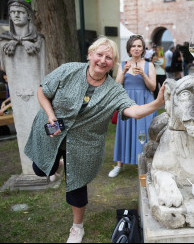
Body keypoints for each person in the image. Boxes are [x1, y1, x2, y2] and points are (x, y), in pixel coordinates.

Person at [24, 36, 165, 243]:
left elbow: (133, 110)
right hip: (53, 134)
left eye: (109, 57)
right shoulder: (69, 70)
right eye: (99, 54)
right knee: (40, 169)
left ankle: (77, 227)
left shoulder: (114, 89)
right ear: (90, 55)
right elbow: (42, 91)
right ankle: (60, 163)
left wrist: (158, 103)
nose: (102, 60)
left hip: (84, 144)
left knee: (76, 187)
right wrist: (51, 116)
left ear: (113, 63)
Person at [109, 35, 157, 178]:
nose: (136, 48)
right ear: (129, 48)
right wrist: (123, 72)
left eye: (139, 46)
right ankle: (119, 165)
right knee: (124, 131)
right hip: (127, 102)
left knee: (144, 132)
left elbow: (153, 87)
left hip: (144, 101)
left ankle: (146, 165)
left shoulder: (149, 65)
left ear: (143, 49)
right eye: (133, 46)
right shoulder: (123, 65)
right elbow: (117, 86)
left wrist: (143, 74)